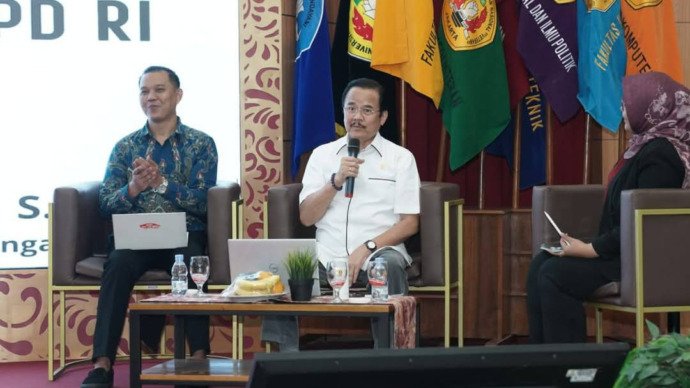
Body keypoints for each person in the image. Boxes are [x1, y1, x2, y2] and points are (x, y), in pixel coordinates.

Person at [527, 71, 690, 344]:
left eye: (628, 102)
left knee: (555, 276)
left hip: (642, 260)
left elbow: (643, 222)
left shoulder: (663, 155)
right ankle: (543, 367)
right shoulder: (644, 146)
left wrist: (589, 249)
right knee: (541, 265)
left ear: (650, 107)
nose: (622, 108)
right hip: (620, 251)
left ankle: (571, 372)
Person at [81, 66, 218, 388]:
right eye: (144, 91)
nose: (151, 97)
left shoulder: (201, 144)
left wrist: (162, 183)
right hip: (135, 237)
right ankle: (101, 364)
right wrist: (133, 188)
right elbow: (105, 204)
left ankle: (198, 359)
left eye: (159, 90)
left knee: (192, 261)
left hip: (183, 234)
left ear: (177, 95)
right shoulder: (125, 147)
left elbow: (202, 203)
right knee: (116, 266)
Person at [262, 78, 421, 350]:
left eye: (367, 110)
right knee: (284, 269)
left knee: (389, 267)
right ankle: (285, 361)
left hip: (379, 251)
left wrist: (368, 247)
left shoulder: (400, 158)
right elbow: (306, 218)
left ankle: (393, 357)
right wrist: (335, 181)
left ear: (382, 118)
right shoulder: (323, 156)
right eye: (351, 108)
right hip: (326, 254)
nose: (357, 117)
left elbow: (410, 223)